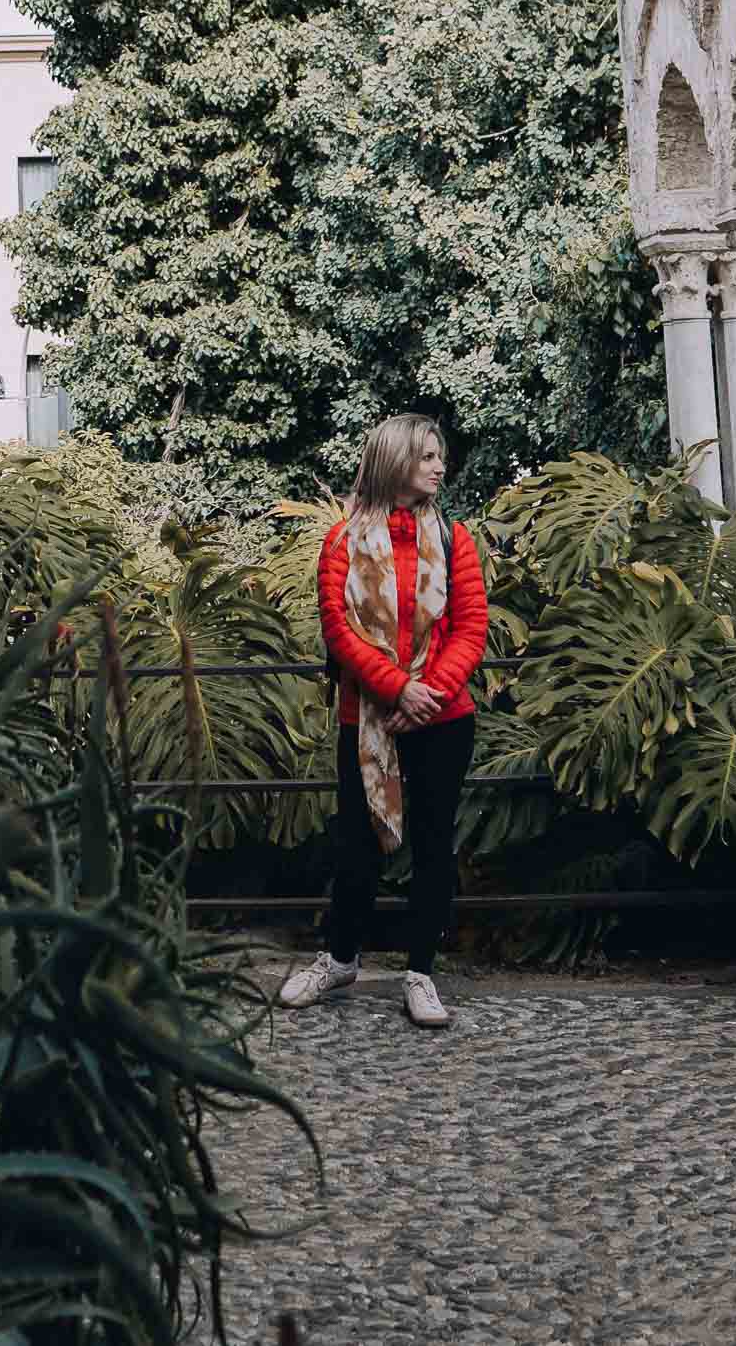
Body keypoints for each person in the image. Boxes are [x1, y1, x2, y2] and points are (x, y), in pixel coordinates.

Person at [278, 412, 487, 1028]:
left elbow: (471, 627)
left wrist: (428, 696)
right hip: (364, 717)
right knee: (358, 846)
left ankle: (420, 973)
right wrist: (398, 689)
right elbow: (338, 632)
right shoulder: (341, 542)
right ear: (395, 461)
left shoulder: (455, 540)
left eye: (439, 456)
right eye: (425, 457)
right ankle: (340, 958)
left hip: (444, 718)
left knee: (431, 846)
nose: (438, 466)